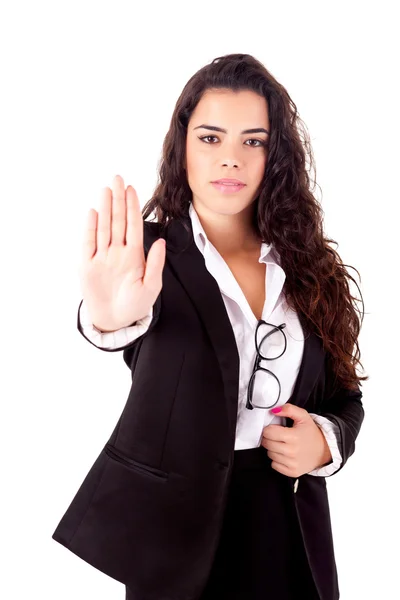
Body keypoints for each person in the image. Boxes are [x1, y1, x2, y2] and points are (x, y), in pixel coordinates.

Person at [52, 53, 367, 600]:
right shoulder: (147, 254)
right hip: (178, 534)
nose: (231, 160)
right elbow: (117, 321)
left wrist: (325, 443)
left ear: (276, 155)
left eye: (253, 141)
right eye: (211, 138)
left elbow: (345, 397)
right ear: (183, 149)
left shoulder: (312, 269)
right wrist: (107, 318)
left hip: (287, 524)